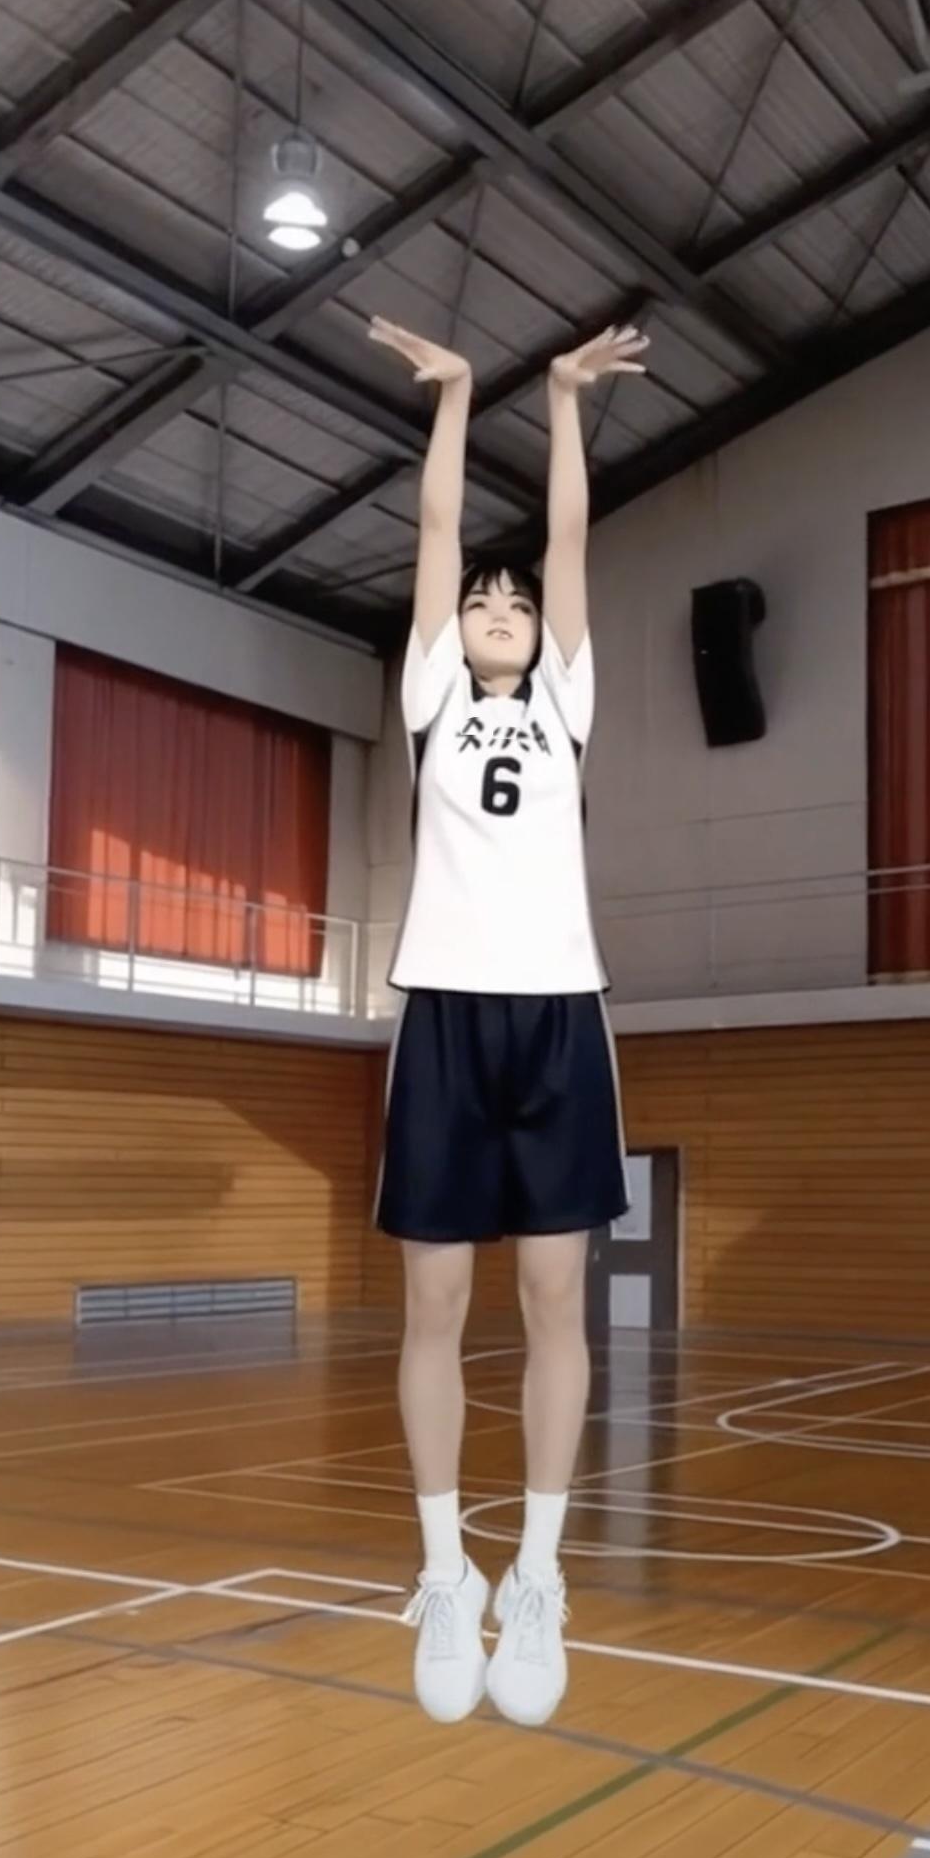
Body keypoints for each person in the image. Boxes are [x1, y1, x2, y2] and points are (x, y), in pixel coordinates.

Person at [368, 313, 647, 1728]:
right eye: (479, 599)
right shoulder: (430, 698)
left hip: (556, 1018)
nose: (494, 606)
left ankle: (536, 1572)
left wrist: (561, 400)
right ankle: (445, 1569)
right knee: (432, 1303)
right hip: (444, 1018)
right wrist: (458, 398)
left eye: (512, 603)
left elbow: (570, 538)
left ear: (539, 638)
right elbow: (434, 527)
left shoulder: (562, 704)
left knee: (551, 1302)